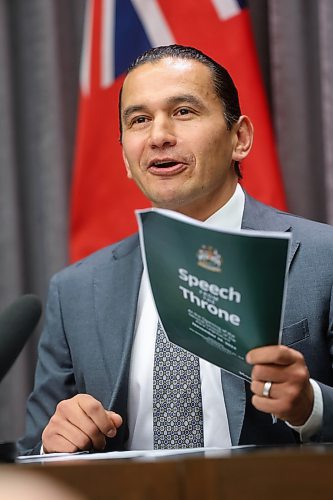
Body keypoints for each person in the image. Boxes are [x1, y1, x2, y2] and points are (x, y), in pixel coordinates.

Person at [18, 45, 333, 455]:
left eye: (183, 111)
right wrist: (52, 445)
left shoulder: (323, 258)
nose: (159, 136)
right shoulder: (76, 289)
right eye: (139, 120)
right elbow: (32, 456)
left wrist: (311, 406)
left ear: (239, 138)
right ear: (126, 159)